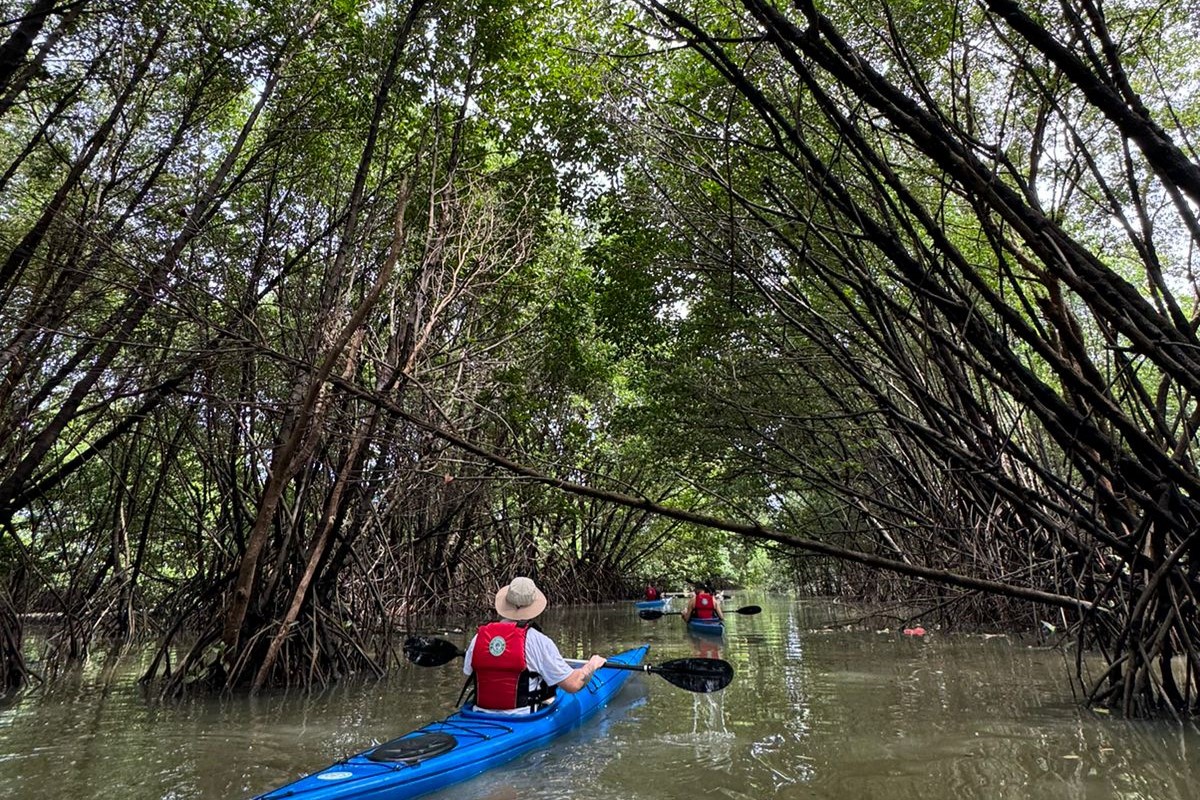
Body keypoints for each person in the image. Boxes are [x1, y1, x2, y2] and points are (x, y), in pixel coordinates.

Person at [463, 576, 606, 714]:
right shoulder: (539, 641)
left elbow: (468, 674)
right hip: (521, 717)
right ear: (533, 606)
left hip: (479, 713)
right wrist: (591, 665)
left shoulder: (479, 638)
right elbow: (573, 685)